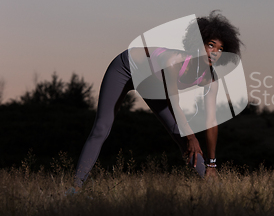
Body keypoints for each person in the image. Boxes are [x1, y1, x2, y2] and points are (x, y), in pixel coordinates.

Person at [72, 11, 243, 190]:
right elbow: (174, 103)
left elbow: (211, 121)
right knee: (101, 128)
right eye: (211, 45)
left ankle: (214, 189)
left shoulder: (211, 79)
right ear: (198, 43)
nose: (215, 52)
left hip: (151, 85)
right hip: (125, 69)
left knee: (181, 136)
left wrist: (212, 164)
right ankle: (74, 189)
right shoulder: (173, 61)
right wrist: (192, 136)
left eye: (221, 49)